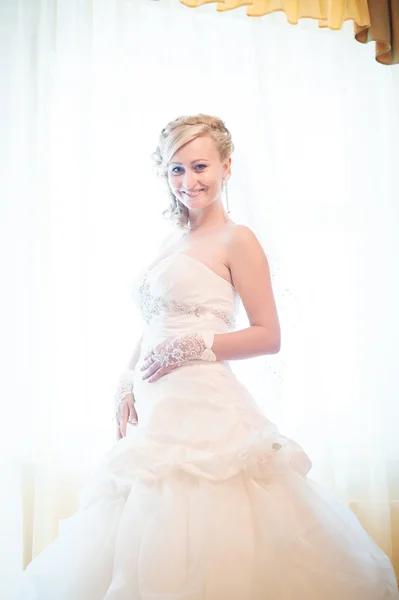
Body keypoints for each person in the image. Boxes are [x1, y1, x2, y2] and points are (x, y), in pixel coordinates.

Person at [12, 114, 399, 599]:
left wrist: (195, 345)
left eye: (199, 167)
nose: (188, 181)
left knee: (210, 528)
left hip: (206, 407)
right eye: (176, 170)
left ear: (226, 167)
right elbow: (156, 319)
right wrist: (127, 376)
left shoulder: (239, 239)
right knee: (144, 524)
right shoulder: (170, 242)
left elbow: (268, 335)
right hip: (157, 410)